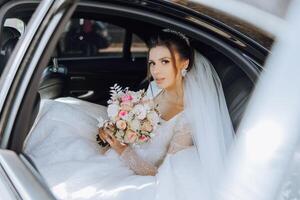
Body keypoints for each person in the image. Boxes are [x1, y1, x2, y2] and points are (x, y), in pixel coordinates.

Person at [23, 29, 234, 200]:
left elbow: (161, 174)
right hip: (118, 155)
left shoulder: (188, 119)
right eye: (152, 63)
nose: (156, 71)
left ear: (184, 63)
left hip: (139, 171)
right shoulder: (153, 88)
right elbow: (130, 128)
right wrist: (115, 130)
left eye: (164, 62)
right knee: (56, 113)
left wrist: (122, 149)